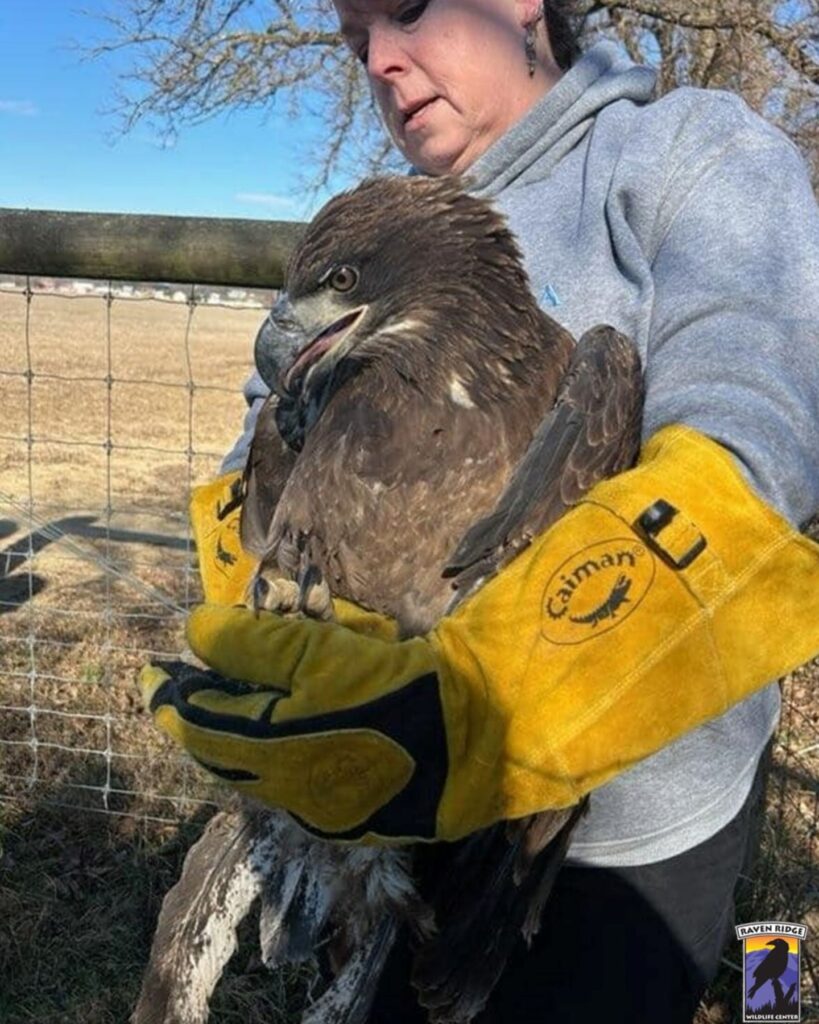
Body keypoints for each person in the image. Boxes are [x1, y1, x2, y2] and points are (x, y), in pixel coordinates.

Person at [142, 2, 819, 1021]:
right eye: (353, 38)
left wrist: (501, 702)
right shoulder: (373, 233)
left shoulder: (693, 150)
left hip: (627, 842)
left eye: (407, 8)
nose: (378, 58)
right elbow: (253, 468)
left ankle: (779, 995)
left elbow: (757, 443)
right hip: (385, 812)